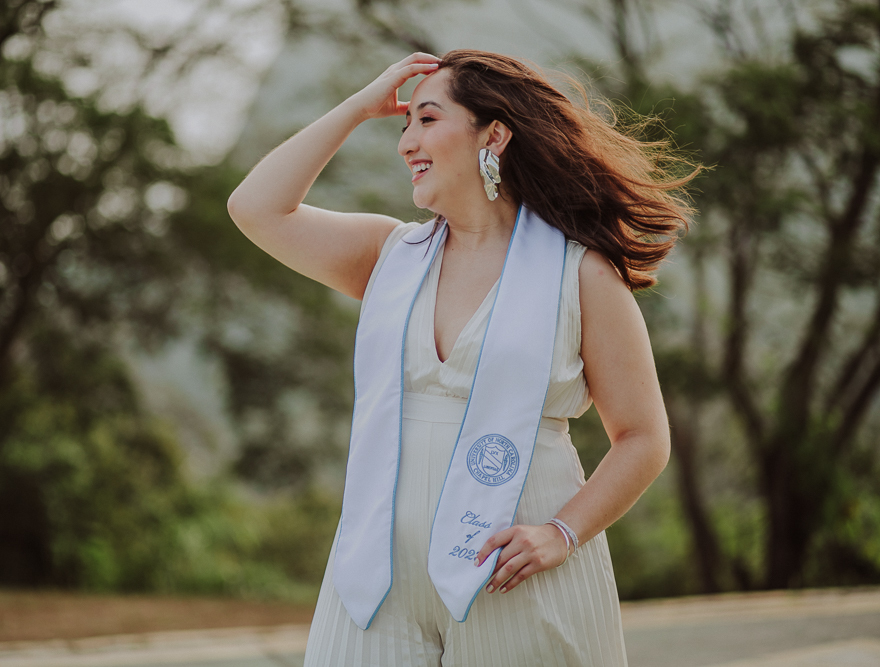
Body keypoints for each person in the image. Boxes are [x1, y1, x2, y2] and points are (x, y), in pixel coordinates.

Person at [228, 49, 696, 667]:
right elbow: (256, 208)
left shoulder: (579, 275)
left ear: (494, 135)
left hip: (513, 572)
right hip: (376, 579)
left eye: (426, 119)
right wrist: (358, 107)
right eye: (404, 125)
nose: (406, 143)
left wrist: (560, 534)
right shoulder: (387, 255)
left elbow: (642, 437)